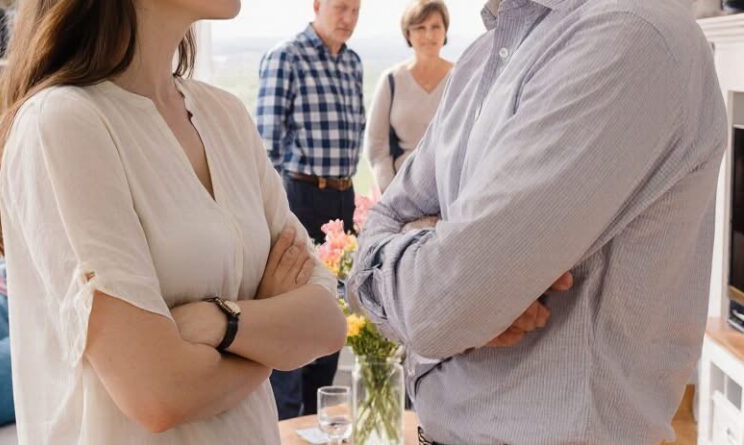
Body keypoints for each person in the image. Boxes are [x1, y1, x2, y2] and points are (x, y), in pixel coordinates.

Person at [347, 0, 727, 443]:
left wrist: (454, 297)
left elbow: (437, 306)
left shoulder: (629, 32)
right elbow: (384, 224)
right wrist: (448, 277)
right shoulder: (485, 54)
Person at [0, 0, 347, 444]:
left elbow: (327, 323)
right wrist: (268, 337)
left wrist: (217, 321)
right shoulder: (63, 123)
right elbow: (159, 393)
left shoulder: (225, 115)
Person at [256, 0, 364, 420]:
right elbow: (265, 148)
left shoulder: (353, 62)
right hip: (299, 196)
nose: (348, 18)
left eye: (356, 9)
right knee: (292, 312)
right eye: (340, 7)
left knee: (332, 312)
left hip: (343, 200)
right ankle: (285, 426)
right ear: (317, 5)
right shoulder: (287, 57)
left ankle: (320, 425)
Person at [366, 0, 453, 192]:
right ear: (408, 34)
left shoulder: (462, 78)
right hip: (402, 192)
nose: (429, 35)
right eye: (420, 28)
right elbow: (377, 147)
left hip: (452, 190)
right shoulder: (391, 81)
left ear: (445, 31)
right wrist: (391, 192)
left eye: (435, 27)